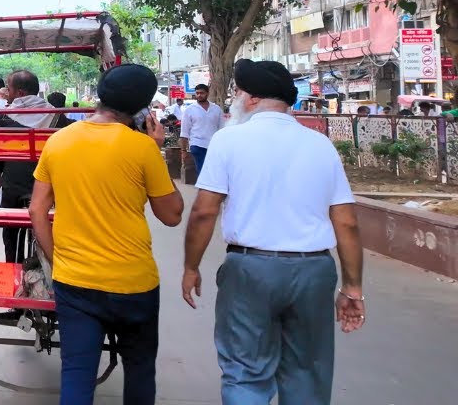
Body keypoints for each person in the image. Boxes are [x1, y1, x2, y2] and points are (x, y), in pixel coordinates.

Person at [182, 59, 364, 405]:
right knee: (307, 373)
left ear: (249, 98)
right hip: (313, 271)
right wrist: (352, 287)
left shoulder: (228, 140)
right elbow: (347, 221)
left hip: (250, 270)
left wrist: (191, 267)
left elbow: (204, 211)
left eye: (237, 92)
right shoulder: (320, 145)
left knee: (245, 372)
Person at [29, 64, 184, 405]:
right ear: (142, 109)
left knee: (76, 373)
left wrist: (59, 260)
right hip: (134, 283)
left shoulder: (59, 141)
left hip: (75, 283)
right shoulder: (142, 148)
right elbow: (172, 215)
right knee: (140, 370)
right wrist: (156, 149)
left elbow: (37, 211)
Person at [0, 69, 55, 262]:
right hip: (48, 185)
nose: (7, 94)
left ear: (19, 93)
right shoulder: (57, 115)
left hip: (14, 185)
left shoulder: (5, 116)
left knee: (10, 231)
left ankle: (11, 265)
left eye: (9, 89)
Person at [179, 84, 223, 174]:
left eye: (202, 93)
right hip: (197, 144)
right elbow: (184, 131)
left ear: (207, 93)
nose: (199, 95)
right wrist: (183, 150)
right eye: (197, 93)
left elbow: (222, 128)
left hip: (213, 145)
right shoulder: (190, 109)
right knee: (202, 169)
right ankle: (203, 186)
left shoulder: (216, 109)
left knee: (213, 169)